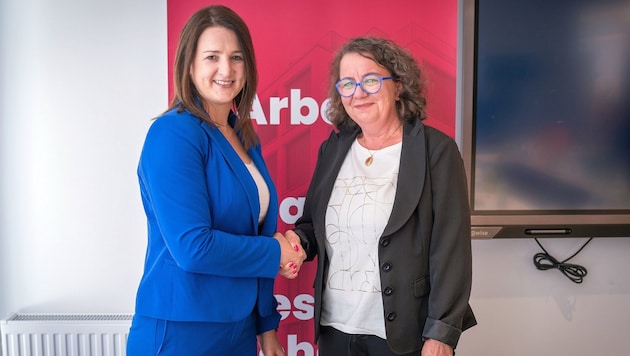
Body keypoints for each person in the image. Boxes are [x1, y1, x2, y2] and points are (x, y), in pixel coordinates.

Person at [127, 5, 304, 356]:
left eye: (236, 57)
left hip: (239, 331)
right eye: (212, 57)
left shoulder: (243, 136)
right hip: (181, 333)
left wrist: (267, 329)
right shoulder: (172, 134)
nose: (226, 69)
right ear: (188, 65)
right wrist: (276, 252)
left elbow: (255, 235)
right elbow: (194, 247)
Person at [284, 37, 477, 356]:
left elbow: (451, 249)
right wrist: (294, 247)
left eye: (370, 80)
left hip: (405, 336)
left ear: (398, 86)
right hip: (335, 330)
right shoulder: (333, 149)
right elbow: (311, 226)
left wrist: (441, 333)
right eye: (347, 83)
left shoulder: (435, 151)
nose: (358, 93)